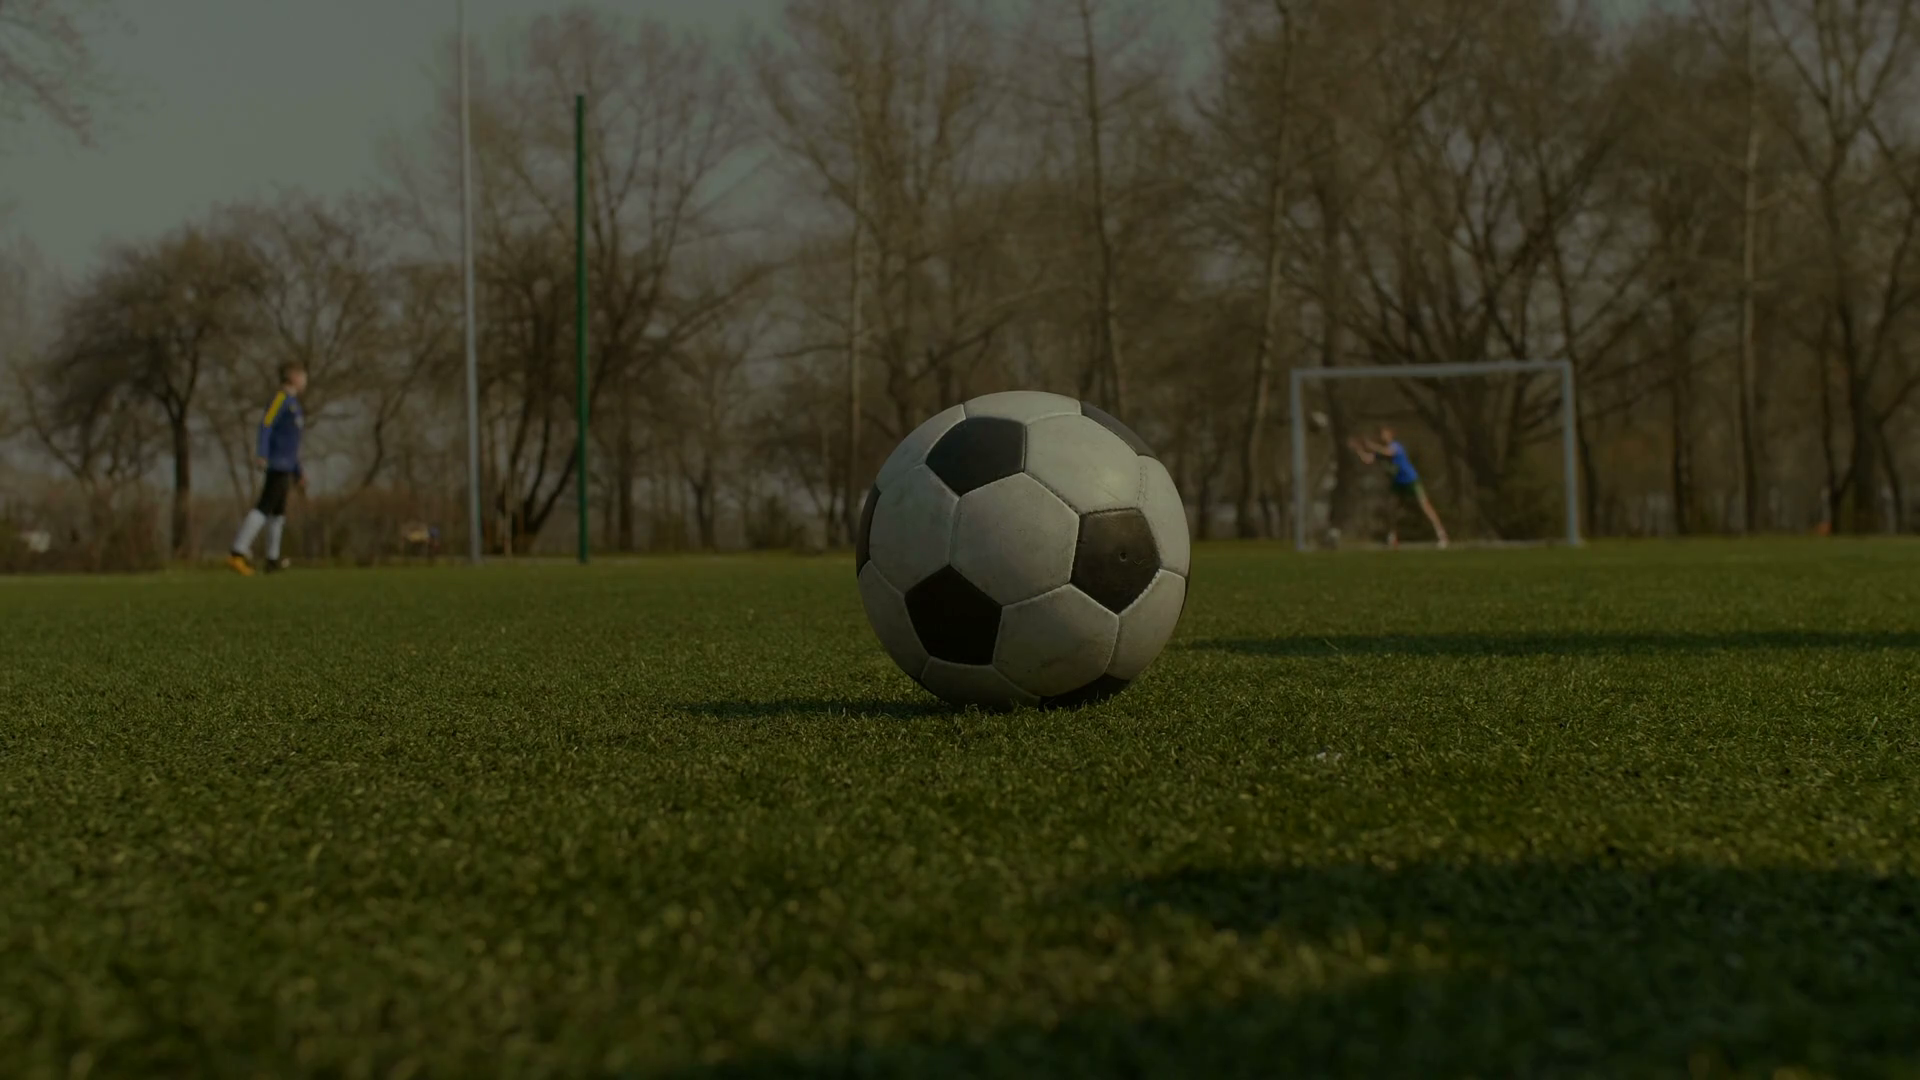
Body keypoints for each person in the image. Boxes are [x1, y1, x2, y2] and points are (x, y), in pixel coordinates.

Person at [227, 364, 306, 575]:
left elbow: (293, 442)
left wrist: (298, 471)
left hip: (288, 465)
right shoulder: (280, 399)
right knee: (265, 506)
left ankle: (272, 559)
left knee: (278, 513)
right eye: (302, 375)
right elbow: (266, 424)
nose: (305, 380)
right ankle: (238, 551)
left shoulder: (295, 405)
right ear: (293, 377)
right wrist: (262, 453)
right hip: (277, 463)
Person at [1349, 426, 1448, 549]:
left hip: (1411, 480)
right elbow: (1368, 460)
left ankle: (1441, 534)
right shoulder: (1380, 451)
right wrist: (1359, 449)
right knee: (1391, 509)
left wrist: (1370, 445)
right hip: (1398, 483)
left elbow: (1388, 452)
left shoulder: (1396, 446)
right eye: (1381, 434)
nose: (1382, 436)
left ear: (1391, 434)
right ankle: (1392, 537)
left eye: (1384, 433)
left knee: (1425, 506)